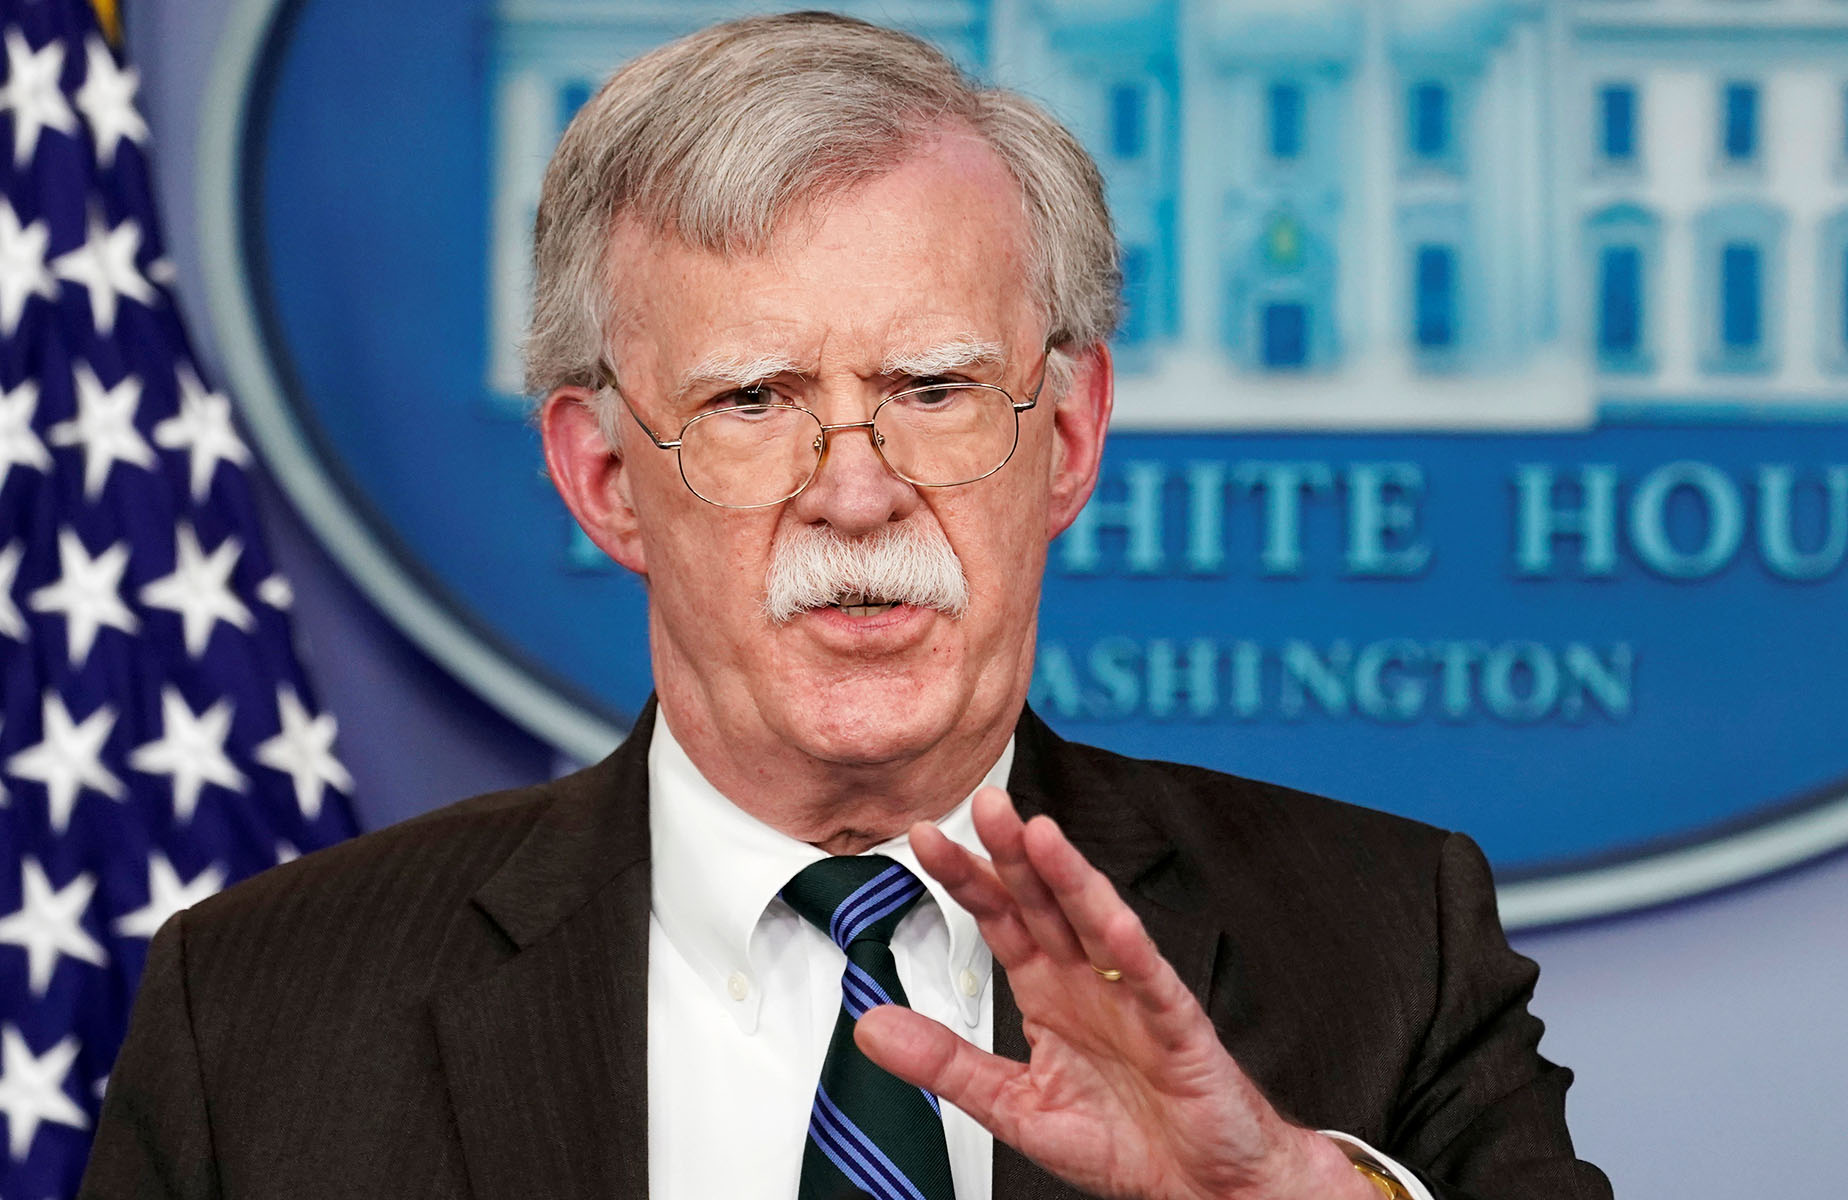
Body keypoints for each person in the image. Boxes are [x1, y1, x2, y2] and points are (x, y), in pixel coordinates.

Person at [83, 12, 1610, 1200]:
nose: (856, 491)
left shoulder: (1380, 940)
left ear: (1069, 437)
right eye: (753, 401)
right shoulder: (265, 1006)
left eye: (933, 389)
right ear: (605, 479)